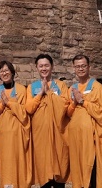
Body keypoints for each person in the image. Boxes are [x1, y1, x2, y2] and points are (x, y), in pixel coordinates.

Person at [66, 54, 102, 188]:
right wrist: (75, 102)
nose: (80, 69)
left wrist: (83, 101)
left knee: (91, 172)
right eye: (77, 66)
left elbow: (100, 111)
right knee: (78, 171)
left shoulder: (96, 87)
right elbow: (68, 113)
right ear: (73, 68)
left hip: (91, 139)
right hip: (76, 139)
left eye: (83, 66)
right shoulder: (72, 88)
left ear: (89, 67)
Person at [26, 53, 69, 188]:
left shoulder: (61, 85)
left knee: (59, 166)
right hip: (40, 133)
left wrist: (50, 93)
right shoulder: (31, 87)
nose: (43, 68)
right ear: (36, 68)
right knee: (43, 168)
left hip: (58, 131)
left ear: (52, 67)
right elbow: (29, 108)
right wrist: (41, 93)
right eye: (41, 66)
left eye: (46, 65)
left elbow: (65, 104)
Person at [0, 60, 32, 188]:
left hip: (18, 133)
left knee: (19, 161)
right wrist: (2, 104)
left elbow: (24, 111)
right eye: (1, 71)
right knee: (6, 162)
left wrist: (9, 103)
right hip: (2, 132)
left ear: (12, 72)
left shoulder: (21, 89)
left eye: (6, 70)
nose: (4, 73)